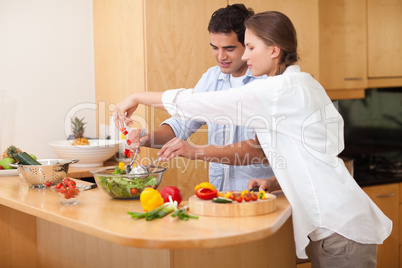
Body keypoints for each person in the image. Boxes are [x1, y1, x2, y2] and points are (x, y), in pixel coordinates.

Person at [114, 11, 392, 267]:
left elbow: (198, 104)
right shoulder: (299, 84)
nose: (245, 57)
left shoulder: (278, 90)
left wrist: (137, 97)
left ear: (273, 50)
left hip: (337, 226)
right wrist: (273, 181)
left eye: (249, 47)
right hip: (335, 223)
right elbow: (309, 156)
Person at [126, 4, 274, 191]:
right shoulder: (212, 78)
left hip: (261, 194)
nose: (221, 56)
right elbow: (182, 123)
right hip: (219, 193)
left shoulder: (266, 82)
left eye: (229, 48)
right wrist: (147, 139)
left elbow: (255, 150)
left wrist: (195, 151)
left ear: (248, 45)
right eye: (215, 47)